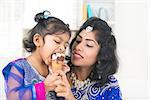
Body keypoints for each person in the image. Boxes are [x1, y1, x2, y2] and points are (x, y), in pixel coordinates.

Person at [2, 10, 71, 100]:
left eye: (65, 46)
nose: (62, 48)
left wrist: (62, 77)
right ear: (38, 40)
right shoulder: (18, 67)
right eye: (57, 41)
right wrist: (44, 87)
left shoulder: (53, 71)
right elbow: (12, 97)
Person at [53, 17, 122, 100]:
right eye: (78, 41)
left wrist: (70, 98)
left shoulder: (109, 87)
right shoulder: (58, 72)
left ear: (102, 53)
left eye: (88, 45)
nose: (78, 47)